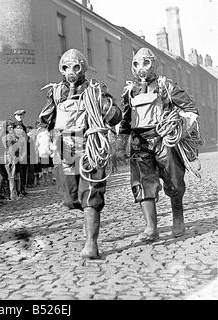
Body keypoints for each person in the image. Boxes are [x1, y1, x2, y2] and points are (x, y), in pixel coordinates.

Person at [38, 49, 122, 259]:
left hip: (90, 146)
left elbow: (115, 116)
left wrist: (103, 107)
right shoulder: (57, 93)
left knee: (91, 195)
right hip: (65, 148)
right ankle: (86, 215)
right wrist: (44, 137)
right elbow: (46, 120)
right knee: (71, 198)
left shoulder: (95, 89)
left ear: (82, 68)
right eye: (66, 67)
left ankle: (91, 243)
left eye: (75, 67)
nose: (71, 72)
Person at [116, 48, 200, 242]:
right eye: (137, 64)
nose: (141, 68)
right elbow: (126, 122)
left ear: (153, 63)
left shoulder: (166, 86)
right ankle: (150, 228)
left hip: (164, 140)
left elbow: (190, 108)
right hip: (140, 143)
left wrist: (177, 125)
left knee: (174, 180)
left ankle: (178, 218)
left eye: (146, 63)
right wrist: (120, 145)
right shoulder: (129, 92)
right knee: (142, 184)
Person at [13, 110, 28, 196]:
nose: (20, 117)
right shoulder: (15, 126)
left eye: (21, 115)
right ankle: (19, 190)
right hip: (17, 152)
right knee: (18, 172)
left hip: (24, 151)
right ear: (15, 116)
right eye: (18, 115)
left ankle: (22, 188)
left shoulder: (24, 127)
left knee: (23, 171)